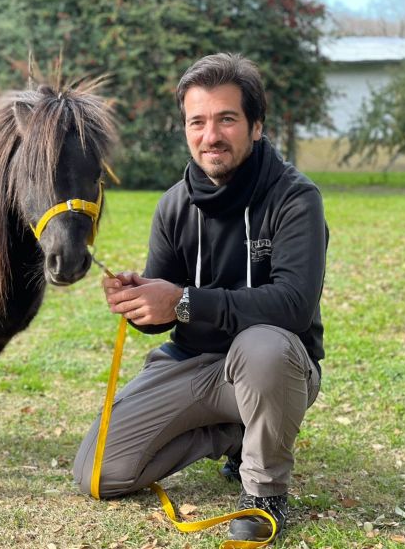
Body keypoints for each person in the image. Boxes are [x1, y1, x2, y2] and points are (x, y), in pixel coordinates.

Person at [73, 53, 328, 542]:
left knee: (264, 346)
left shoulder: (296, 198)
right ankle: (234, 434)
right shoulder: (173, 204)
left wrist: (184, 301)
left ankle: (263, 495)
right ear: (186, 129)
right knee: (100, 474)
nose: (211, 135)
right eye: (198, 121)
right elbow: (161, 315)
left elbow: (293, 305)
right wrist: (141, 301)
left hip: (272, 368)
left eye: (227, 119)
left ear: (256, 126)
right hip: (190, 363)